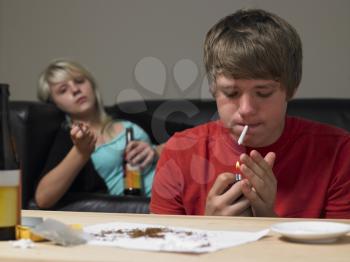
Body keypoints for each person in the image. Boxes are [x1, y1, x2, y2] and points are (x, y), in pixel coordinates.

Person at [150, 9, 350, 218]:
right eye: (231, 92)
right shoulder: (179, 152)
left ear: (290, 90)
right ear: (214, 89)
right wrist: (208, 227)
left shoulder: (340, 152)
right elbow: (160, 247)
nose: (246, 109)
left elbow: (340, 250)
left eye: (263, 93)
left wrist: (266, 220)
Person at [35, 59, 162, 209]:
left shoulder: (126, 114)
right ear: (54, 103)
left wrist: (156, 151)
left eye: (79, 81)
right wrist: (81, 152)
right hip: (145, 207)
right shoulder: (66, 138)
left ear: (91, 84)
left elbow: (192, 135)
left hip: (182, 184)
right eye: (63, 90)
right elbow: (42, 199)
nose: (75, 90)